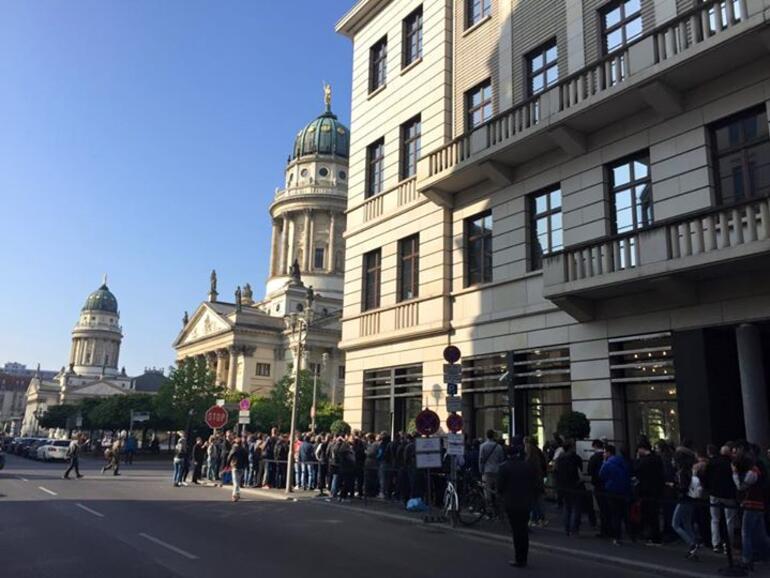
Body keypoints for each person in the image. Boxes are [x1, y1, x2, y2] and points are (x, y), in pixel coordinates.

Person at [498, 439, 537, 569]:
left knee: (516, 531)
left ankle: (518, 558)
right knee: (523, 530)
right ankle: (524, 557)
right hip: (526, 502)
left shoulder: (504, 467)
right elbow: (534, 483)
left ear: (508, 455)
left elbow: (500, 487)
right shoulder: (527, 466)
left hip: (511, 503)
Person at [733, 452, 770, 570]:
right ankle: (765, 554)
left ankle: (746, 559)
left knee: (746, 533)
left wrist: (735, 473)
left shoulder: (748, 475)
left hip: (750, 505)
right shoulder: (757, 471)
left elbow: (740, 486)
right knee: (761, 533)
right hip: (759, 504)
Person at [704, 444, 737, 553]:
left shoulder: (712, 463)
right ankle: (728, 544)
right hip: (728, 494)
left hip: (714, 494)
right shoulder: (731, 464)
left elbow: (705, 477)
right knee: (729, 520)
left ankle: (716, 543)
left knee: (715, 519)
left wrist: (708, 489)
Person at [672, 447, 702, 560]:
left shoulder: (682, 472)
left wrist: (674, 486)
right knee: (687, 523)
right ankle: (694, 544)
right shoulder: (689, 469)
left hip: (684, 499)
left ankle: (691, 544)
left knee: (675, 524)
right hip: (691, 498)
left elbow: (683, 488)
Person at [600, 444, 632, 545]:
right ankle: (631, 534)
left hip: (612, 490)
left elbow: (601, 474)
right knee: (625, 513)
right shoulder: (623, 461)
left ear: (609, 453)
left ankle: (617, 536)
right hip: (624, 490)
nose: (604, 454)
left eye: (605, 452)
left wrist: (604, 461)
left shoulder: (608, 463)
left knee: (615, 514)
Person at [634, 440, 665, 545]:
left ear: (642, 448)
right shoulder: (657, 458)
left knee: (649, 515)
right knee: (654, 515)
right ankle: (656, 536)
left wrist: (638, 459)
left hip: (646, 491)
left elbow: (636, 470)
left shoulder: (643, 461)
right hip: (656, 490)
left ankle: (653, 537)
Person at [554, 441, 583, 536]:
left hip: (563, 486)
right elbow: (580, 471)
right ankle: (574, 529)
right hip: (575, 485)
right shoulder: (576, 458)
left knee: (567, 507)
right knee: (576, 508)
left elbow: (556, 472)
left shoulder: (559, 459)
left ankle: (567, 528)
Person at [479, 430, 505, 515]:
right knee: (497, 490)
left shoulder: (483, 446)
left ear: (486, 436)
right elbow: (502, 460)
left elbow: (481, 460)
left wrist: (481, 470)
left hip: (487, 471)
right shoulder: (499, 447)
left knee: (487, 491)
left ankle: (489, 509)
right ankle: (498, 509)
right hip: (497, 470)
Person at [587, 439, 609, 537]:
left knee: (602, 508)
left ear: (595, 446)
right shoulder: (607, 456)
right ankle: (610, 528)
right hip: (607, 484)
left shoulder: (594, 457)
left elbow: (589, 470)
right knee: (607, 507)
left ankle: (604, 530)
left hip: (598, 484)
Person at [524, 436, 547, 527]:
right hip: (538, 480)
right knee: (538, 500)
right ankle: (540, 519)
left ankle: (535, 519)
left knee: (533, 501)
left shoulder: (530, 457)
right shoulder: (539, 453)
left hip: (532, 481)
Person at [227, 437, 248, 502]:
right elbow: (246, 459)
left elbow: (229, 456)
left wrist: (227, 464)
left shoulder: (234, 449)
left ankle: (234, 495)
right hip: (241, 467)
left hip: (235, 466)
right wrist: (246, 466)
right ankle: (238, 493)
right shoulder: (244, 450)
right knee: (238, 481)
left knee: (235, 482)